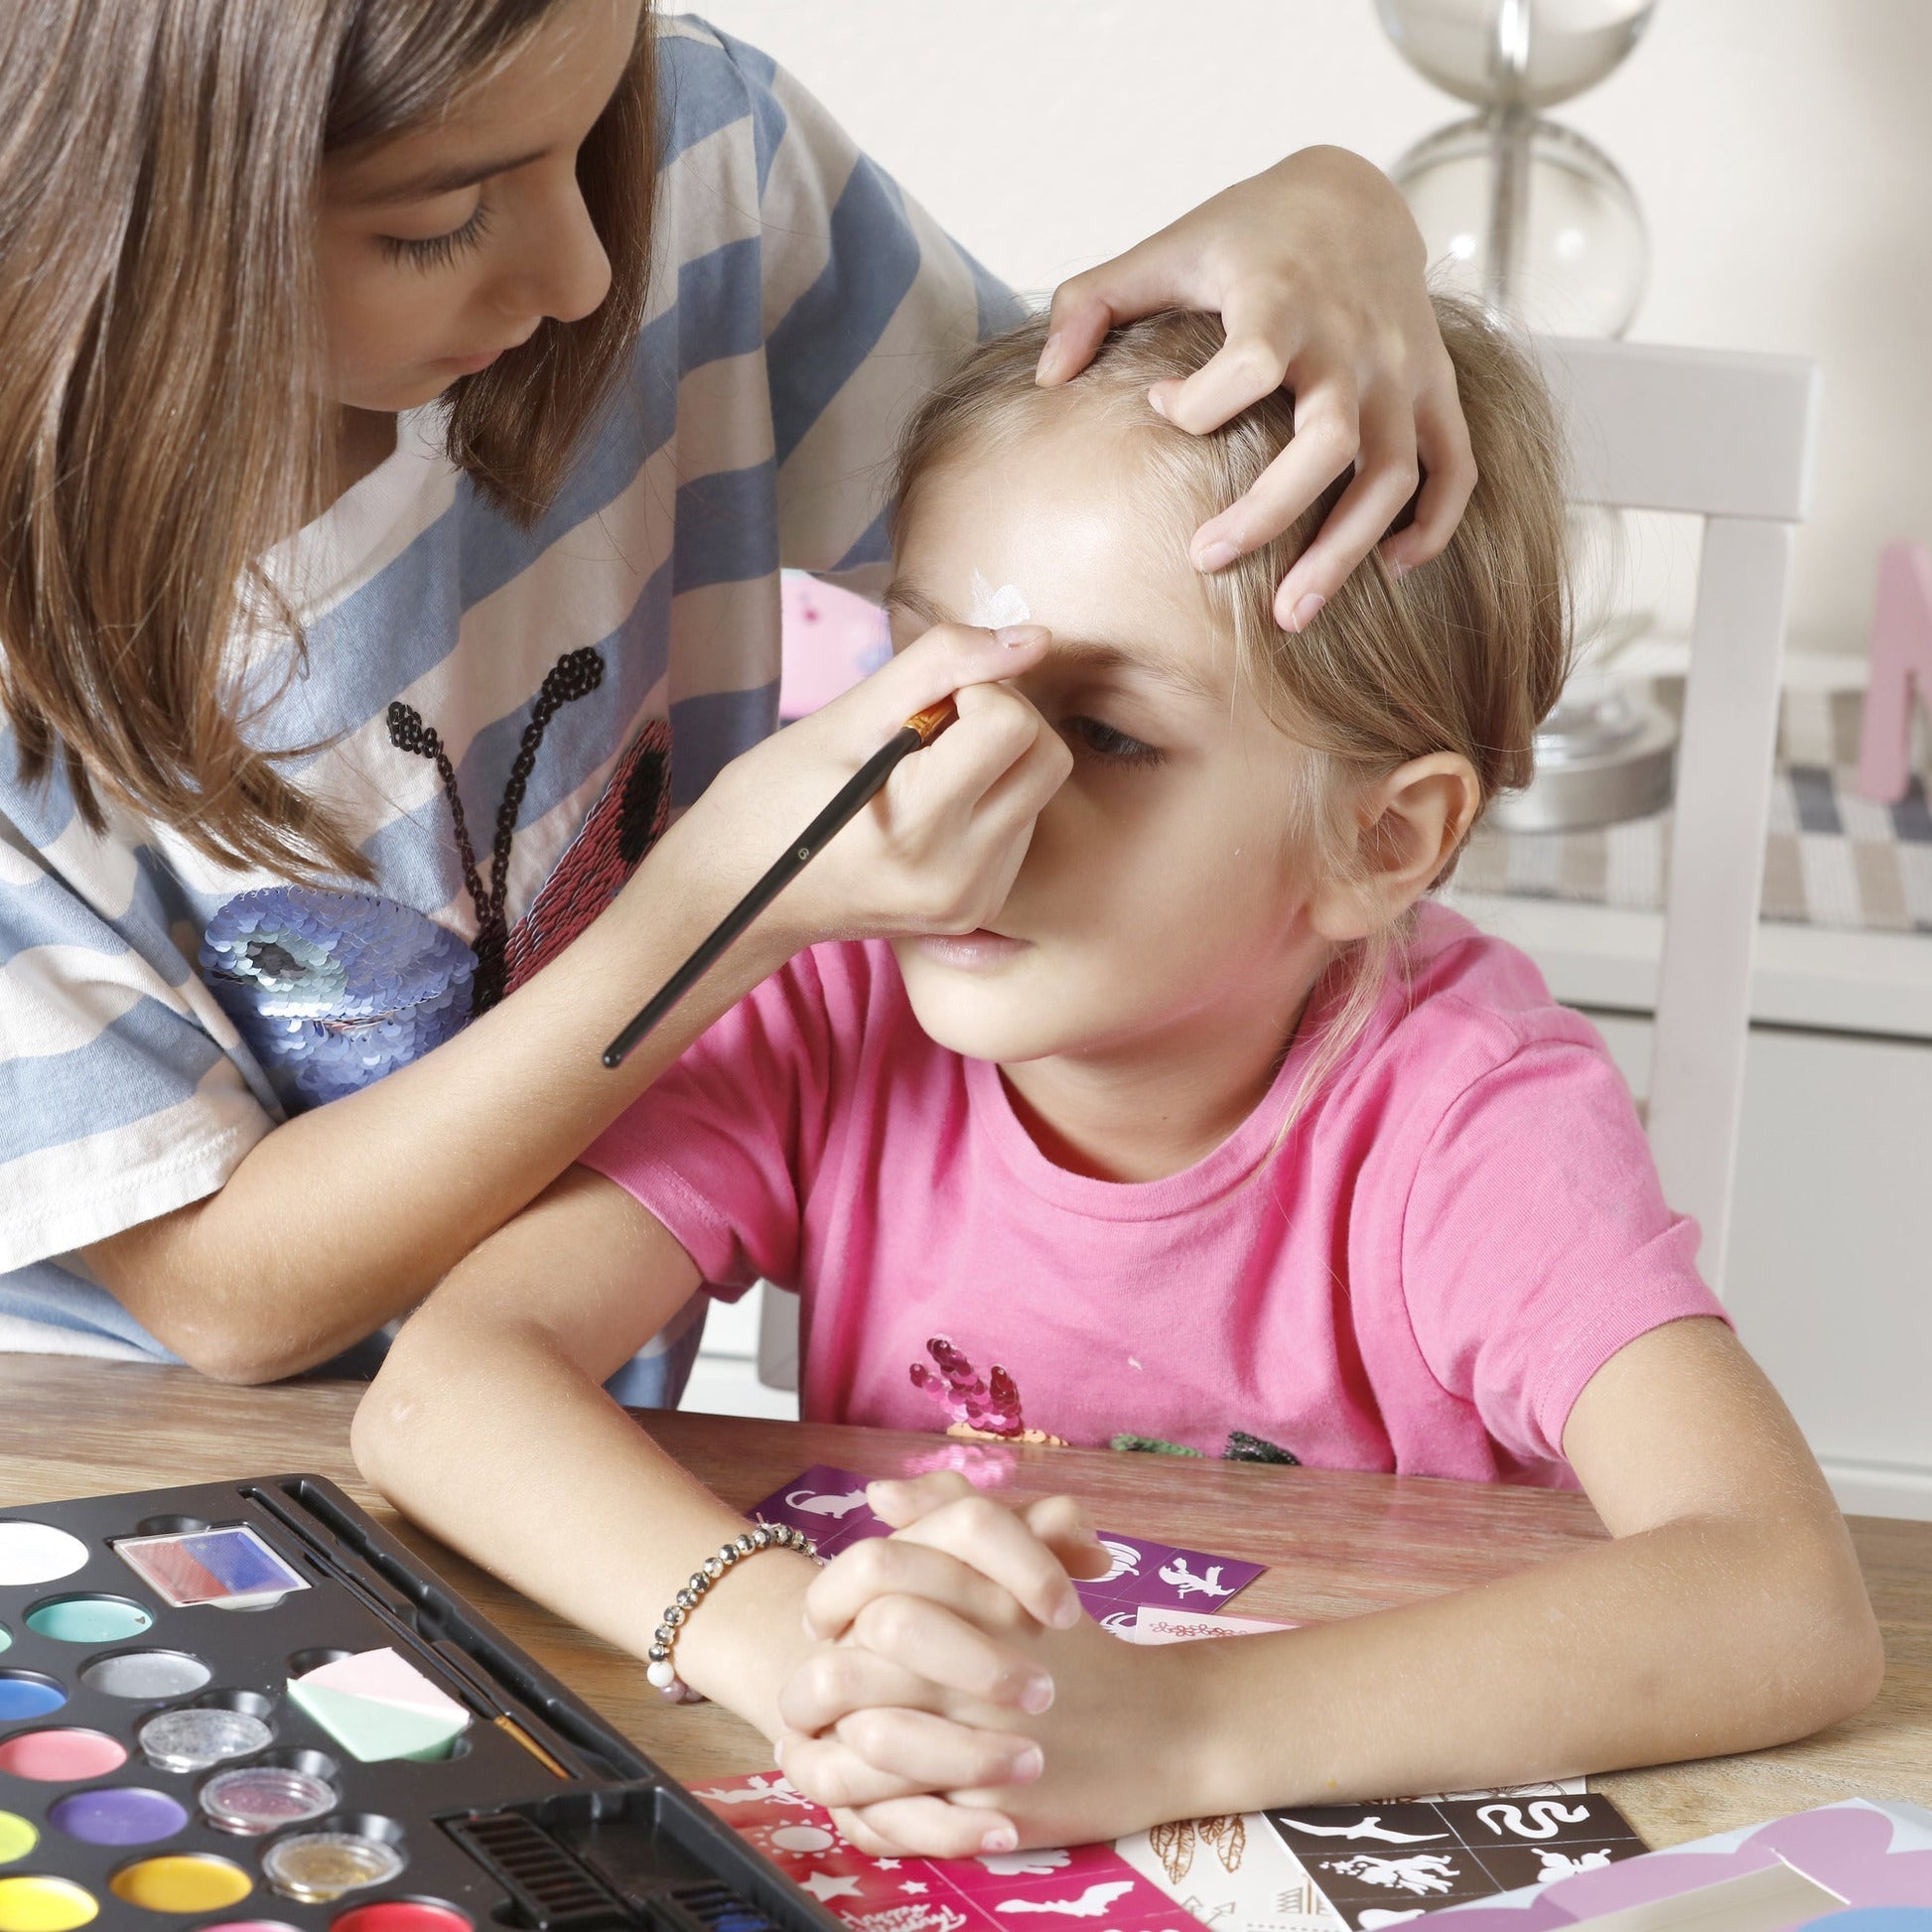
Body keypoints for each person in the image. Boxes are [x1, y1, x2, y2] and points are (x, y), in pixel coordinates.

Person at [351, 300, 1882, 1855]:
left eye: (1102, 731)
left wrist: (1171, 1728)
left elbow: (1785, 1596)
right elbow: (439, 1396)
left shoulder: (1468, 1111)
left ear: (1381, 840)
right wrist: (794, 1650)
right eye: (930, 680)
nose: (959, 793)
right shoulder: (833, 986)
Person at [0, 0, 1474, 1387]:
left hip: (544, 1432)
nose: (586, 274)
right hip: (123, 1475)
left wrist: (1338, 202)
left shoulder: (706, 167)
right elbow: (227, 1301)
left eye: (602, 131)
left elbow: (1129, 539)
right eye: (440, 218)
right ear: (132, 207)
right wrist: (727, 900)